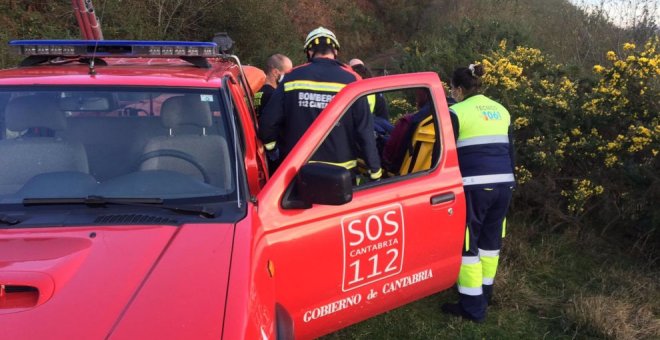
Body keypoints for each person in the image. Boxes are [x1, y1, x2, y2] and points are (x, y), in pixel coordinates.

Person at [441, 64, 515, 323]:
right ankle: (485, 294)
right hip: (504, 185)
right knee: (490, 243)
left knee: (467, 245)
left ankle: (472, 307)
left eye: (453, 88)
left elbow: (446, 153)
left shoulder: (455, 111)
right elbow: (510, 151)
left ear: (459, 89)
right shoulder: (501, 110)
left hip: (475, 187)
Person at [258, 27, 382, 180]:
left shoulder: (291, 78)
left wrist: (272, 149)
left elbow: (268, 122)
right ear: (335, 51)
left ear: (309, 52)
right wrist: (375, 171)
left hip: (298, 169)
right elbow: (364, 130)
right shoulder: (353, 79)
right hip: (341, 173)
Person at [381, 89, 432, 174]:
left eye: (417, 96)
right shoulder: (434, 118)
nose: (416, 99)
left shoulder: (406, 122)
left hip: (397, 166)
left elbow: (389, 154)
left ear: (424, 96)